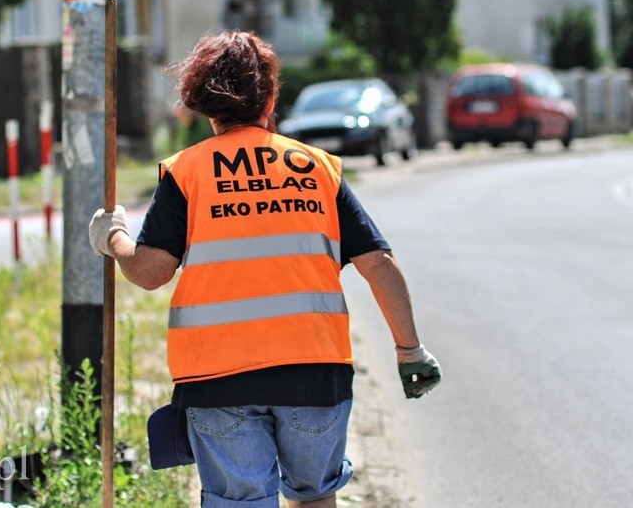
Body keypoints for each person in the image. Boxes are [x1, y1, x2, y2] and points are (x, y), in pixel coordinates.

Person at [89, 30, 441, 508]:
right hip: (315, 375)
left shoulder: (187, 172)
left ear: (203, 104)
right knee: (315, 498)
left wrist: (113, 239)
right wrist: (409, 349)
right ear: (271, 97)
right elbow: (377, 262)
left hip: (217, 380)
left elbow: (150, 272)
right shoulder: (317, 168)